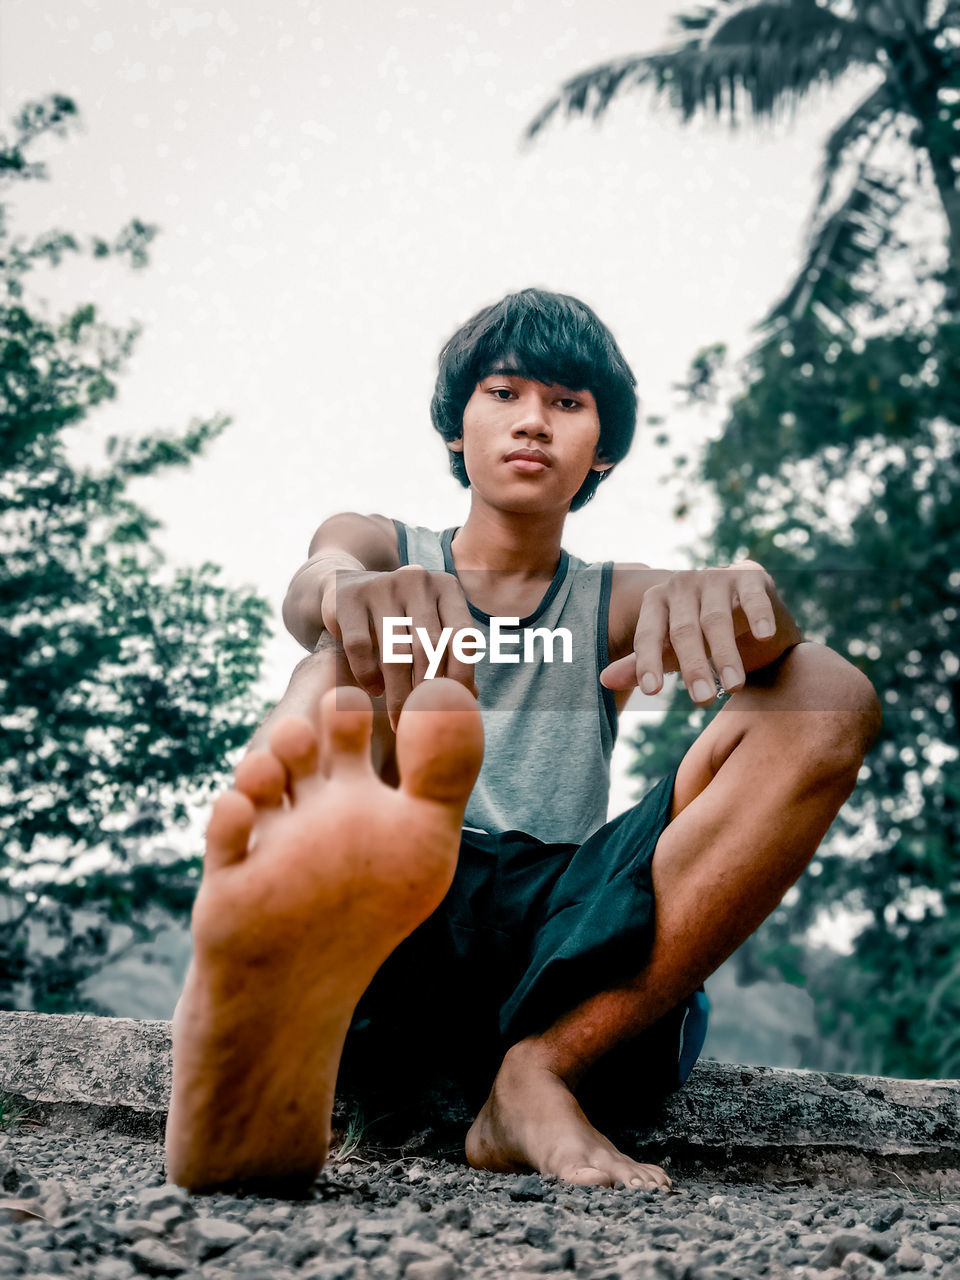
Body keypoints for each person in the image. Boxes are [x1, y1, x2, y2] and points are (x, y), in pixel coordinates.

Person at [164, 289, 880, 1194]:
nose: (533, 421)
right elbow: (316, 577)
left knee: (827, 690)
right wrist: (349, 592)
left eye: (568, 404)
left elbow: (757, 631)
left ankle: (537, 1075)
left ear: (603, 451)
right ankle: (285, 1001)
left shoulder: (615, 596)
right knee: (335, 667)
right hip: (395, 923)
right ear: (456, 430)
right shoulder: (384, 544)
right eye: (504, 393)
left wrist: (751, 601)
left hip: (569, 947)